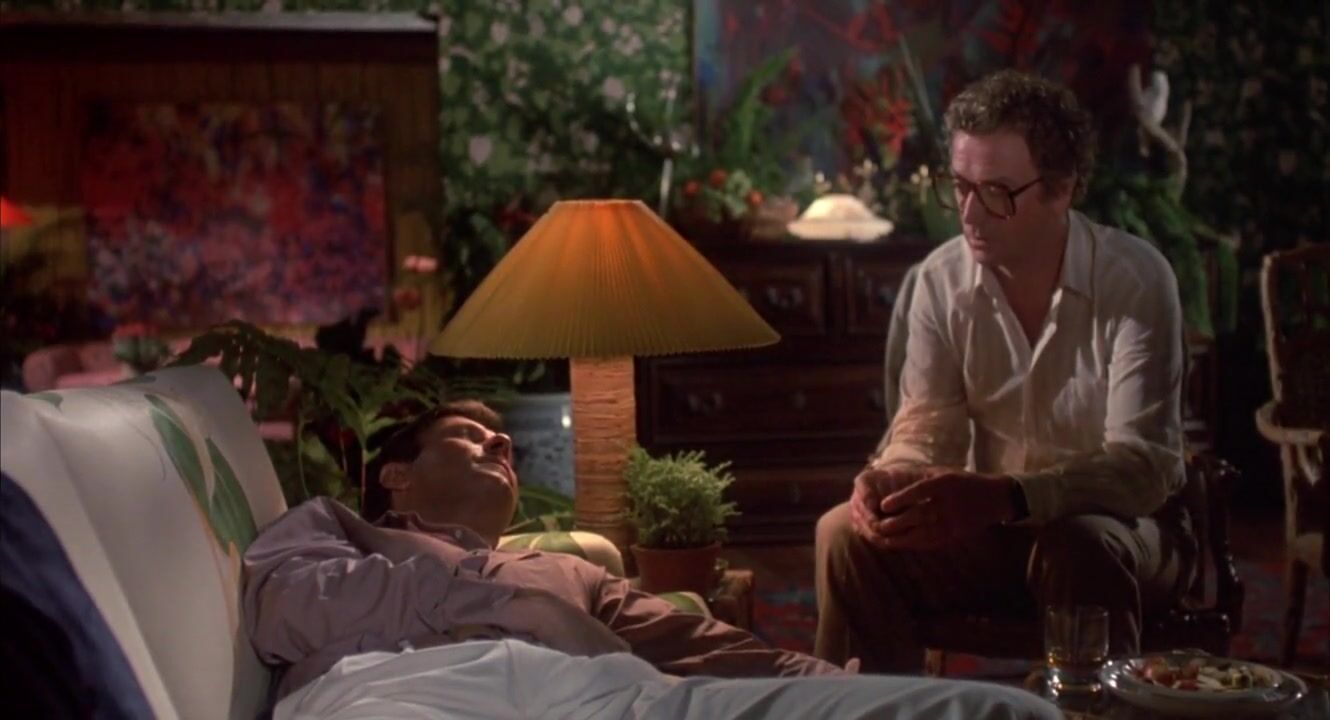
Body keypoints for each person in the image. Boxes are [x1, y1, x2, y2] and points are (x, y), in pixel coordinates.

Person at [244, 400, 1061, 719]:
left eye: (503, 436)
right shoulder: (335, 528)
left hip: (601, 696)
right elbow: (286, 609)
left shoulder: (565, 575)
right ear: (395, 475)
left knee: (994, 713)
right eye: (467, 434)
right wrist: (500, 603)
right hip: (397, 692)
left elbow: (705, 649)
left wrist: (834, 685)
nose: (499, 441)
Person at [815, 69, 1196, 673]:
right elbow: (927, 428)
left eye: (996, 192)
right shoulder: (940, 281)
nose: (970, 213)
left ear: (1061, 189)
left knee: (1079, 543)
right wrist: (890, 480)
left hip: (1126, 532)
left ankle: (1088, 709)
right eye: (960, 187)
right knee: (844, 533)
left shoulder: (1135, 280)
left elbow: (1142, 470)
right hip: (990, 533)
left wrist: (1009, 496)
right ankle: (879, 710)